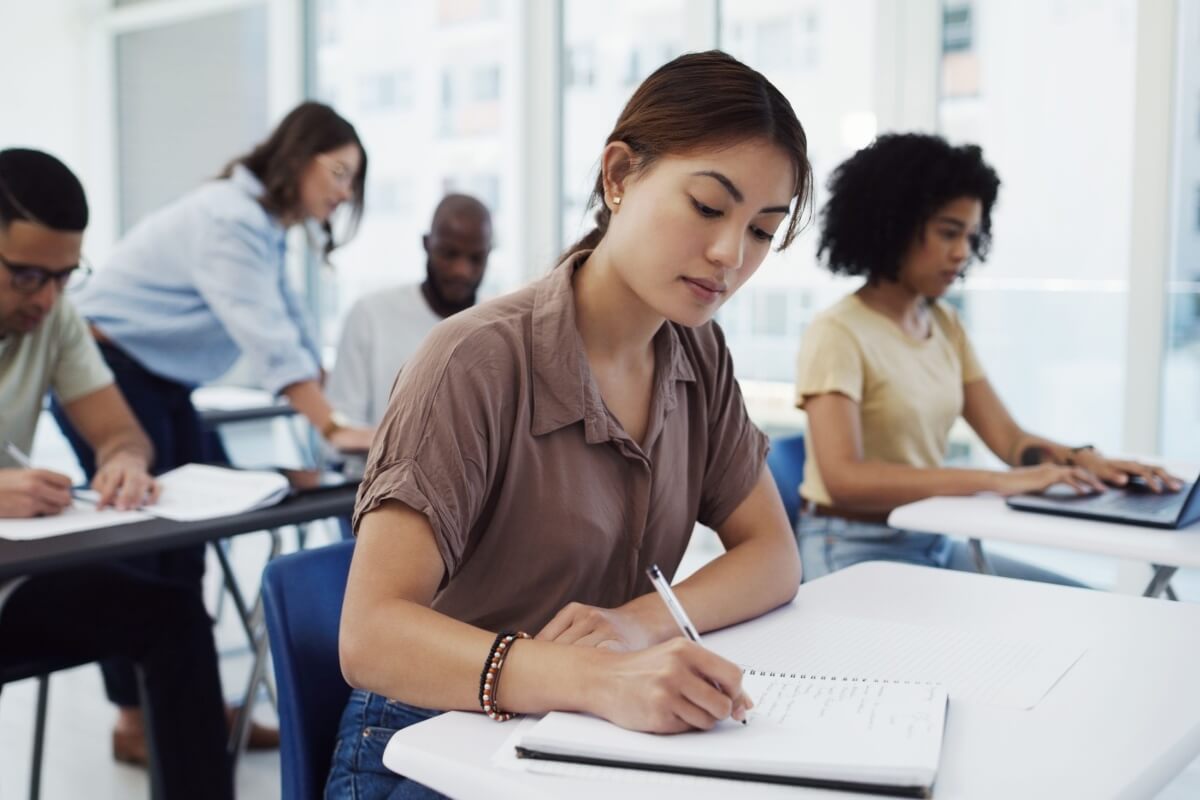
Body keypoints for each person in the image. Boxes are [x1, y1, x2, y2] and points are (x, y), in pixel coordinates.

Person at [327, 50, 811, 798]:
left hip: (579, 732)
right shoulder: (474, 360)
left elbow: (774, 558)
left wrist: (635, 628)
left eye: (762, 231)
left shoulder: (697, 349)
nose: (729, 255)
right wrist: (600, 678)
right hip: (427, 739)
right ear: (619, 176)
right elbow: (370, 636)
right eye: (710, 208)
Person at [52, 100, 372, 761]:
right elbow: (265, 338)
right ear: (299, 158)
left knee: (191, 546)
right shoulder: (229, 219)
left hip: (162, 380)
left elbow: (293, 332)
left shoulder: (263, 224)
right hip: (107, 368)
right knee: (144, 549)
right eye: (339, 174)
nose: (344, 194)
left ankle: (191, 706)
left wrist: (334, 411)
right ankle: (135, 721)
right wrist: (333, 426)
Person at [794, 132, 1181, 583]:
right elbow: (845, 479)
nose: (961, 253)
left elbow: (1011, 441)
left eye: (970, 236)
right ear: (894, 224)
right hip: (852, 546)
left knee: (1080, 599)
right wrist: (997, 482)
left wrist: (1084, 461)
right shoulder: (838, 332)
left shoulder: (944, 325)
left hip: (931, 537)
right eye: (948, 232)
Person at [0, 147, 232, 800]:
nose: (46, 298)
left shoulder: (55, 319)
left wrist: (123, 461)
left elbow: (120, 431)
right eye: (25, 277)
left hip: (11, 586)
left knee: (173, 614)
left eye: (65, 276)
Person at [327, 193, 492, 428]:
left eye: (476, 258)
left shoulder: (500, 330)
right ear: (426, 244)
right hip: (377, 465)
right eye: (449, 254)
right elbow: (341, 429)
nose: (461, 271)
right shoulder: (370, 316)